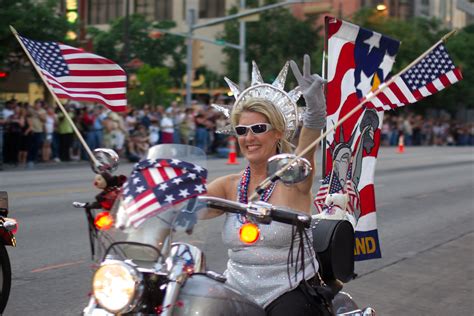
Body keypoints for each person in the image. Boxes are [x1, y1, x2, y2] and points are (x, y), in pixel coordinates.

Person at [205, 56, 330, 315]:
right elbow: (188, 204)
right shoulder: (228, 185)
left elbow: (305, 153)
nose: (248, 137)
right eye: (241, 130)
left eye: (258, 128)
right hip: (236, 290)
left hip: (289, 290)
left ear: (278, 132)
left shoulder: (292, 175)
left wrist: (315, 113)